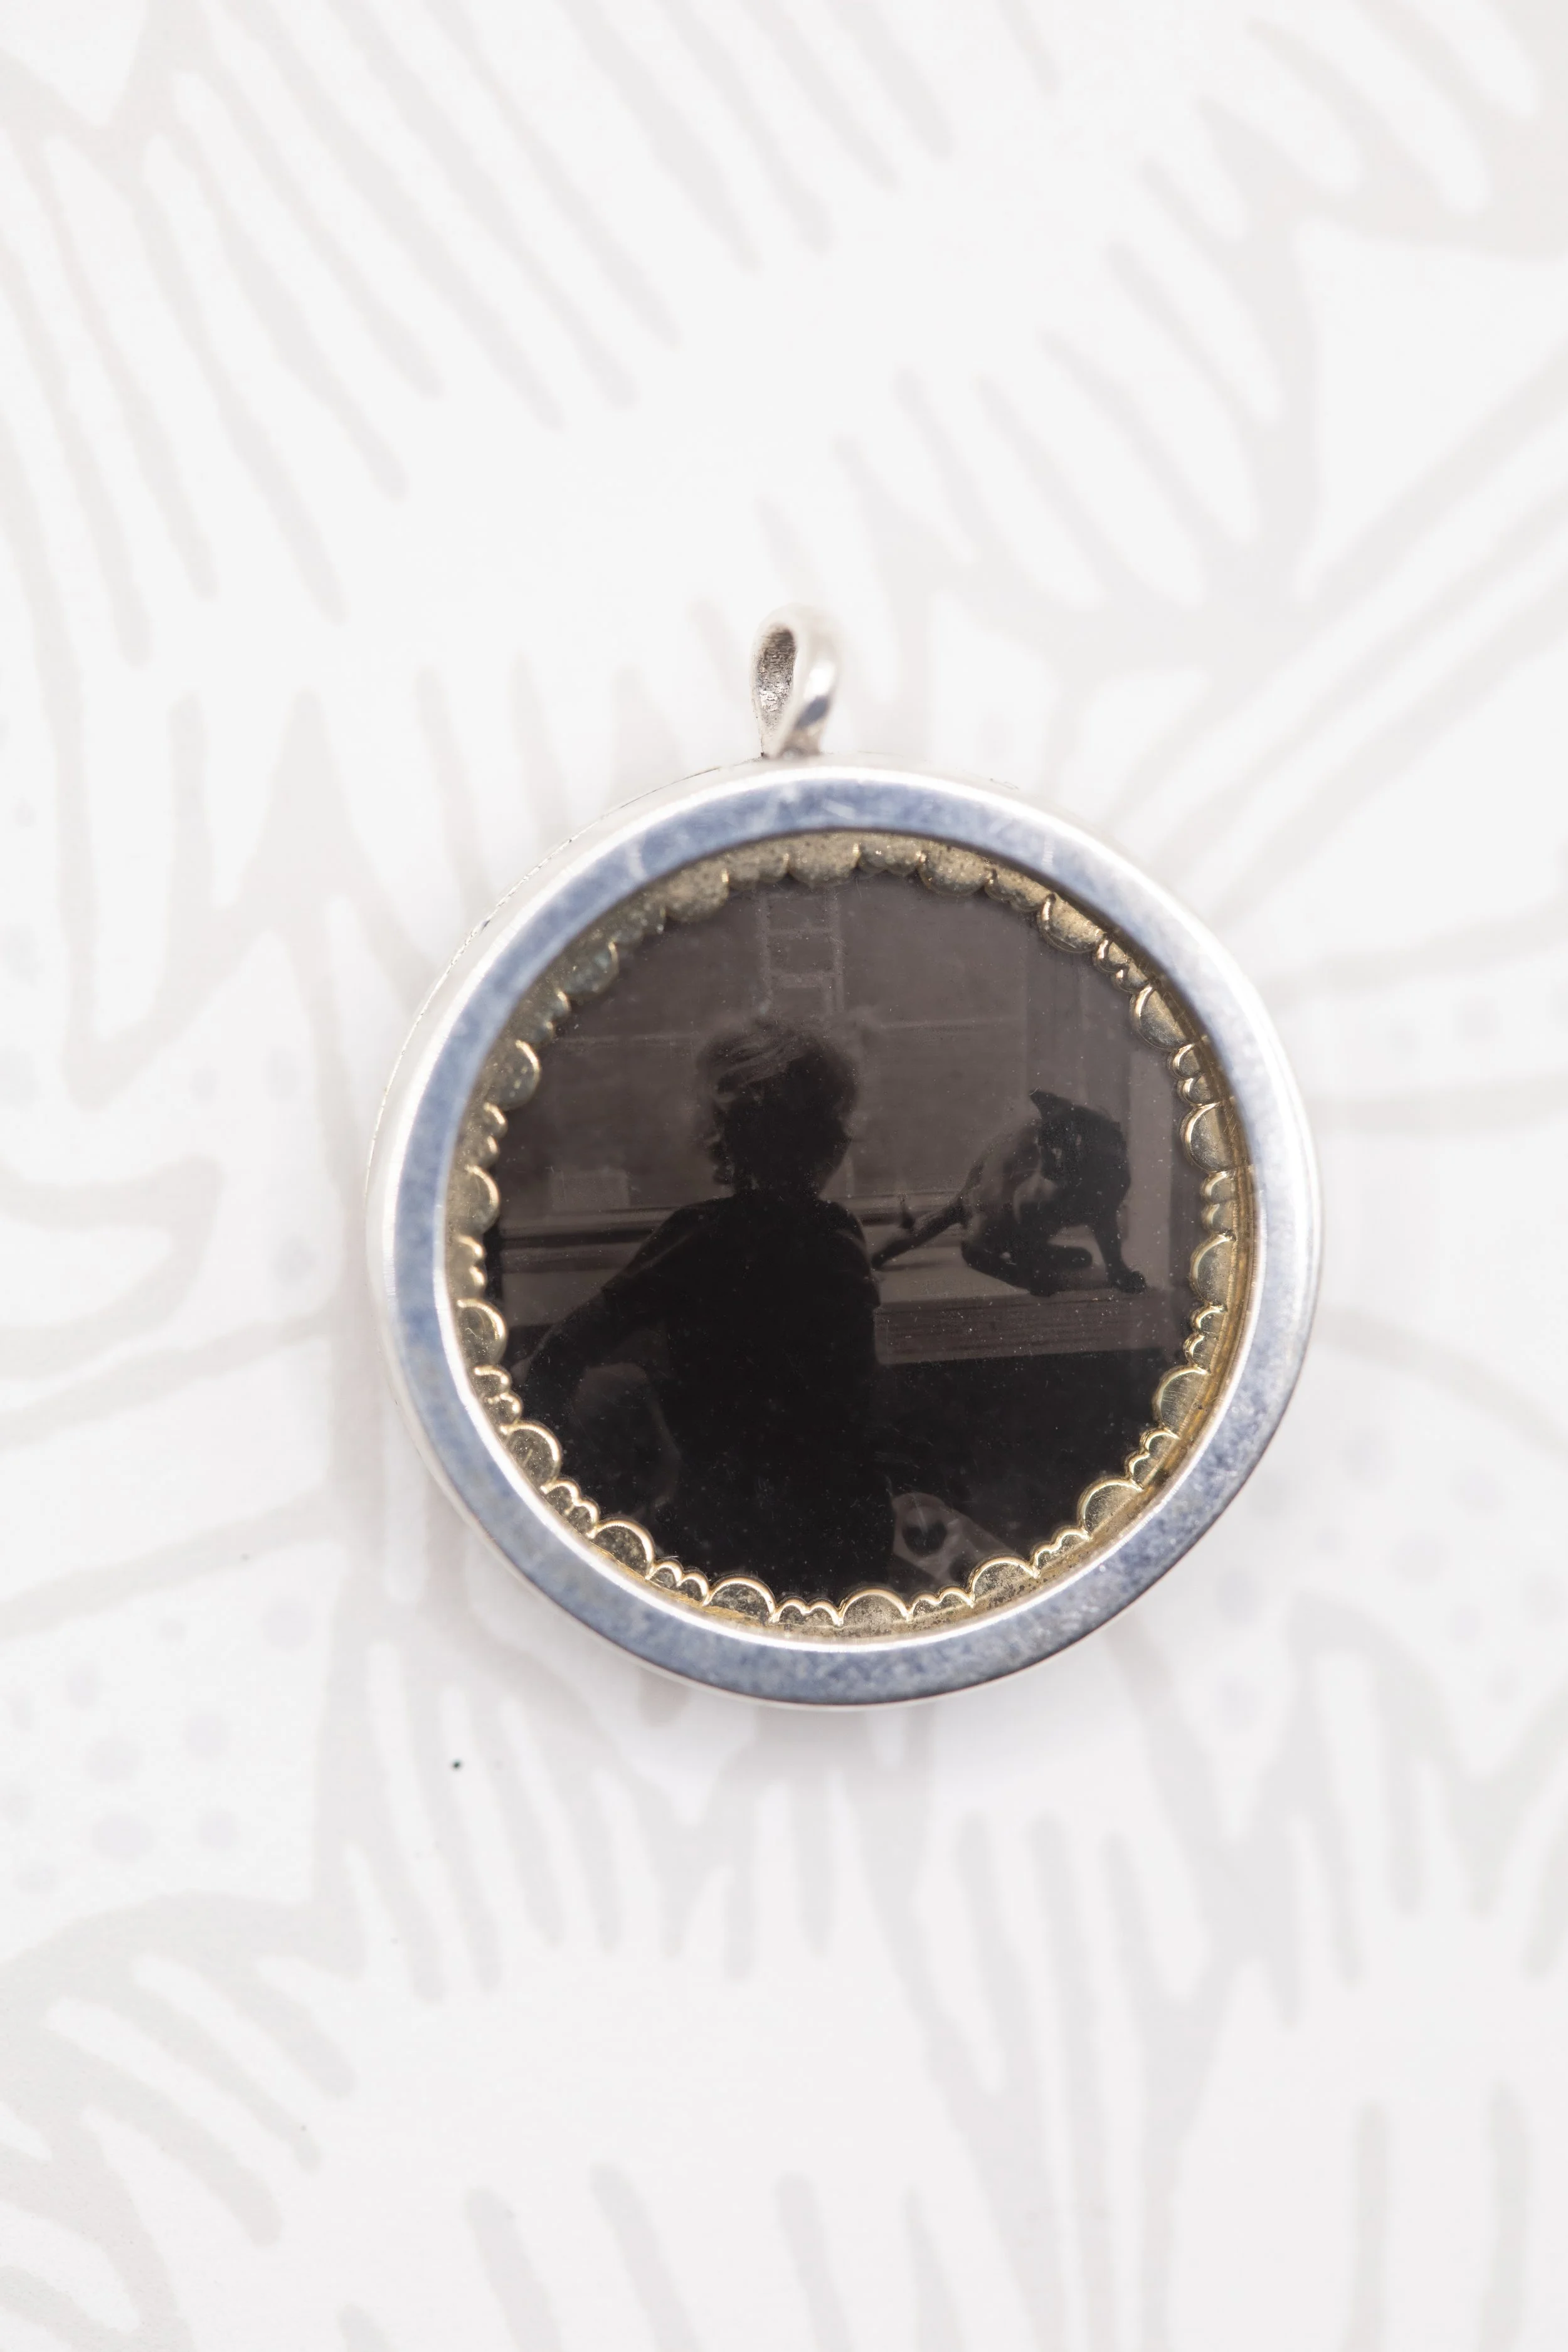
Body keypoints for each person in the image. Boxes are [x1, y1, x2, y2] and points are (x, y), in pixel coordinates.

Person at [522, 1019, 893, 1598]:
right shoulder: (839, 1234)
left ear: (722, 1138)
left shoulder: (696, 1236)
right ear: (833, 1140)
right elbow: (856, 1388)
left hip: (725, 1513)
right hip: (840, 1510)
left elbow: (570, 1343)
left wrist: (546, 1458)